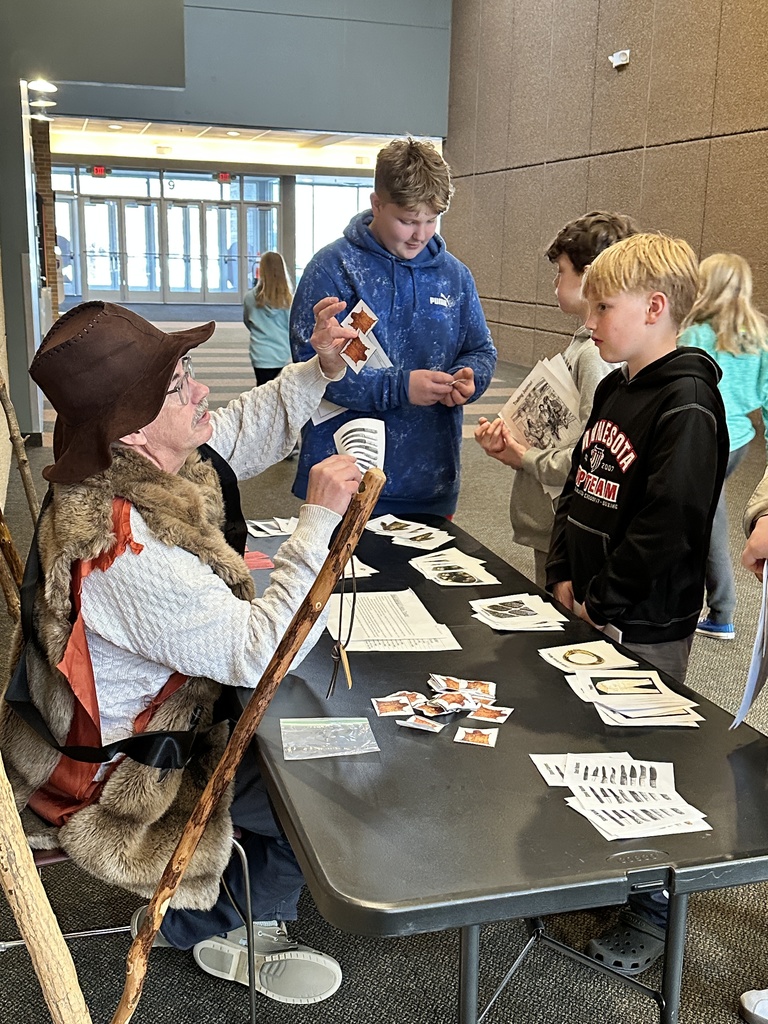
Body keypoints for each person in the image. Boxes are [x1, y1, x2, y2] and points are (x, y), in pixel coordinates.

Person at [0, 299, 363, 1005]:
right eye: (178, 385)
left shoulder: (129, 470)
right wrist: (317, 525)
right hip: (122, 776)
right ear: (131, 431)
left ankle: (223, 903)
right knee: (315, 767)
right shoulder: (122, 548)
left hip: (138, 724)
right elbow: (261, 655)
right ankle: (224, 926)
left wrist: (319, 369)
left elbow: (233, 431)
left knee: (308, 720)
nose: (200, 391)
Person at [545, 233, 728, 975]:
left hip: (643, 623)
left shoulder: (689, 402)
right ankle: (597, 869)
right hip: (586, 605)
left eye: (603, 306)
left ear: (656, 309)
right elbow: (581, 484)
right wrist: (563, 572)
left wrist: (604, 597)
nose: (589, 320)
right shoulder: (616, 387)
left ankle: (653, 908)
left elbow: (669, 524)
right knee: (582, 742)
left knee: (642, 764)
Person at [289, 137, 497, 517]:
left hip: (430, 478)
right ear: (377, 204)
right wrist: (400, 387)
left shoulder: (454, 276)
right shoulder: (333, 270)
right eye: (407, 220)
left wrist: (471, 377)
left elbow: (480, 349)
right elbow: (309, 373)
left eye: (431, 220)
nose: (421, 234)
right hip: (343, 478)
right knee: (336, 578)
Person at [474, 211, 639, 586]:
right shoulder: (586, 347)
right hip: (555, 515)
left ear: (589, 276)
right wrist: (514, 446)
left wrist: (525, 456)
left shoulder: (596, 357)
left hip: (565, 521)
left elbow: (593, 453)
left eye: (561, 271)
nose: (555, 281)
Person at [678, 253, 768, 640]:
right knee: (707, 512)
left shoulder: (696, 334)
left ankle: (722, 610)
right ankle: (719, 608)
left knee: (706, 518)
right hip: (740, 442)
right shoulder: (759, 335)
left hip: (705, 438)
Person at [243, 250, 294, 387]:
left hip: (260, 354)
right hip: (283, 354)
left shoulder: (249, 298)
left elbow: (248, 322)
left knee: (262, 392)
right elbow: (292, 326)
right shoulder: (290, 301)